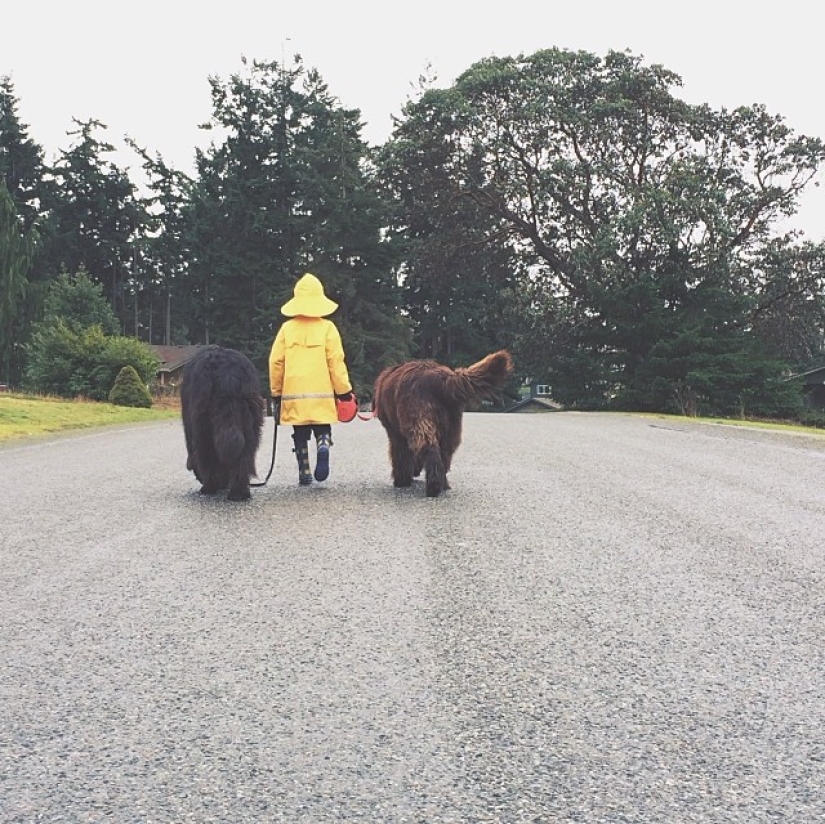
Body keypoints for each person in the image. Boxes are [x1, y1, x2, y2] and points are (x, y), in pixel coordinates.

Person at [268, 273, 354, 485]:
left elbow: (275, 361)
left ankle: (304, 470)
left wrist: (276, 392)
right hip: (322, 391)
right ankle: (323, 443)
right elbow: (336, 360)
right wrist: (343, 390)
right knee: (322, 424)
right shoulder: (327, 328)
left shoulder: (287, 329)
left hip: (294, 391)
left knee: (300, 429)